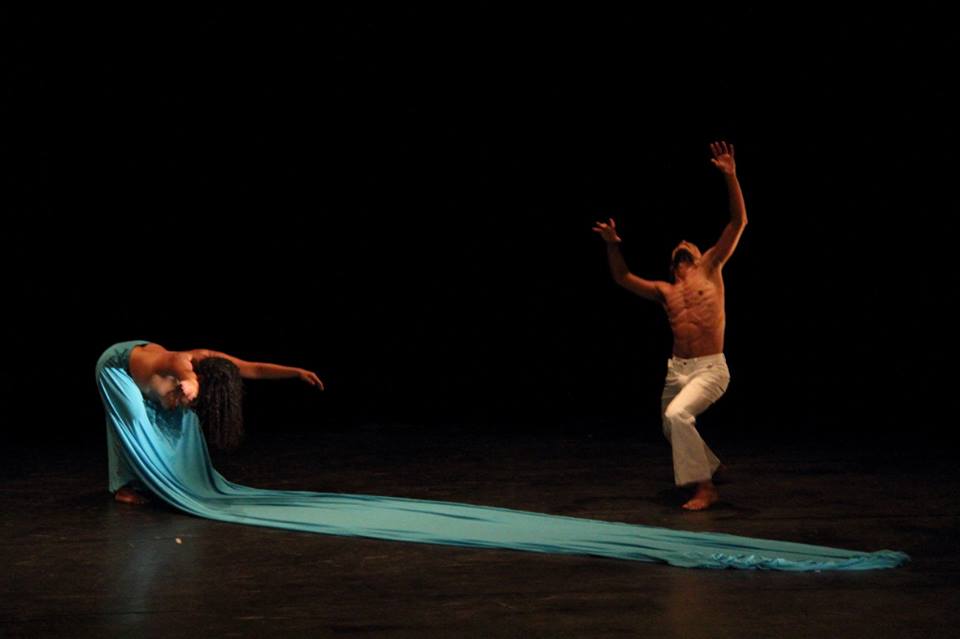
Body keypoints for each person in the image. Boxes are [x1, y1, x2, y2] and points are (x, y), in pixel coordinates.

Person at [593, 140, 747, 510]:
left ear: (699, 254)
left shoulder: (711, 267)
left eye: (688, 244)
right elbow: (623, 278)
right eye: (678, 247)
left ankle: (704, 487)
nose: (683, 243)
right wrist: (612, 245)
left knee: (678, 416)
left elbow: (738, 222)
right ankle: (712, 466)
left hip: (710, 368)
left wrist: (730, 176)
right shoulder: (666, 291)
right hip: (677, 370)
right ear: (671, 264)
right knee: (670, 424)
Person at [97, 340, 323, 504]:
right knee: (134, 420)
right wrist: (191, 385)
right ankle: (124, 487)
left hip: (146, 362)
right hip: (117, 365)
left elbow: (254, 368)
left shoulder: (210, 358)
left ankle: (172, 477)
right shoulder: (180, 362)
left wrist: (295, 372)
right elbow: (187, 375)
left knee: (185, 419)